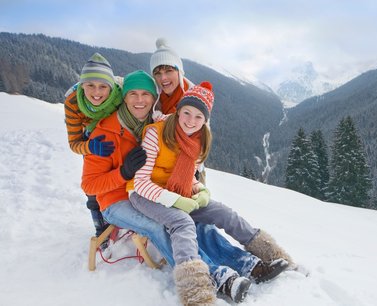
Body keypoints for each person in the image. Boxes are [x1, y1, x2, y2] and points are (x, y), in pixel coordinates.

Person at [81, 70, 281, 305]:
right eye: (133, 94)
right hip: (116, 199)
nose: (139, 100)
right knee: (164, 225)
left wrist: (197, 190)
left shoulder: (158, 123)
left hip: (158, 190)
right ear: (123, 97)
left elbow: (169, 166)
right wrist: (122, 173)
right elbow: (89, 184)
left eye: (146, 94)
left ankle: (247, 262)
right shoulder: (106, 133)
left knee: (201, 221)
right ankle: (210, 277)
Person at [129, 81, 294, 296]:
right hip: (144, 194)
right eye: (187, 113)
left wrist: (201, 190)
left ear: (205, 120)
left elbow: (188, 178)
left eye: (199, 117)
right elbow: (140, 182)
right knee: (183, 222)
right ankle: (197, 285)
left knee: (223, 212)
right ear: (178, 111)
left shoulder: (198, 141)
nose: (191, 121)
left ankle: (260, 258)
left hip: (178, 192)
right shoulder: (155, 134)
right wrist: (176, 201)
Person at [64, 52, 122, 241]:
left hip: (116, 134)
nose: (96, 92)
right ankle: (101, 230)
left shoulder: (119, 95)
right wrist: (90, 148)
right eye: (90, 85)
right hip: (91, 141)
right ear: (82, 85)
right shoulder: (73, 101)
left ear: (110, 87)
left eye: (102, 86)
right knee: (93, 186)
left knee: (118, 178)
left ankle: (121, 221)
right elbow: (74, 143)